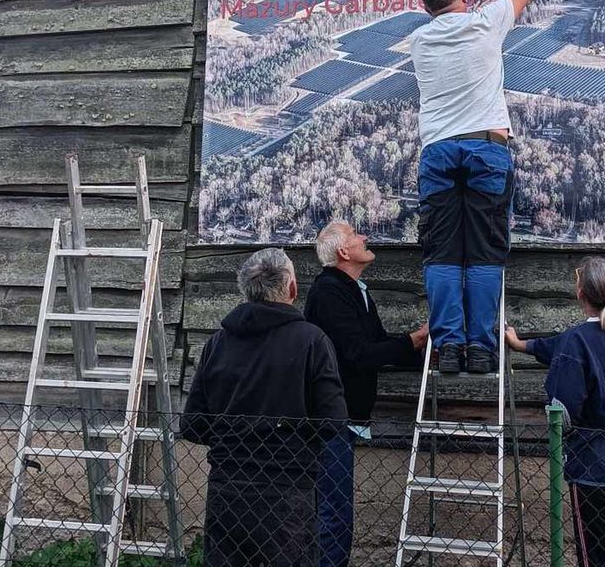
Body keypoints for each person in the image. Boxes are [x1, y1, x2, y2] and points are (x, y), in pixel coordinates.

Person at [409, 0, 539, 374]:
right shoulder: (486, 22)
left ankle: (448, 349)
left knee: (443, 253)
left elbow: (451, 15)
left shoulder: (419, 41)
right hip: (487, 147)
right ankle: (481, 350)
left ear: (427, 9)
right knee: (483, 253)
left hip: (439, 150)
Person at [181, 247, 347, 567]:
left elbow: (193, 424)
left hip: (227, 488)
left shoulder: (218, 342)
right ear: (292, 288)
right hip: (288, 488)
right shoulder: (312, 340)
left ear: (245, 289)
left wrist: (234, 436)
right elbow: (333, 421)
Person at [505, 256, 605, 567]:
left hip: (599, 471)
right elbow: (565, 345)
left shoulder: (577, 341)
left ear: (580, 293)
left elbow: (562, 408)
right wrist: (522, 345)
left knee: (600, 559)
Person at [304, 220, 429, 567]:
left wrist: (416, 347)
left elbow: (377, 344)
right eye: (356, 235)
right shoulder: (330, 293)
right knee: (333, 513)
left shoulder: (354, 290)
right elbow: (358, 353)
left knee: (333, 509)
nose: (364, 237)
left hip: (343, 414)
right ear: (344, 252)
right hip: (328, 418)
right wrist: (412, 342)